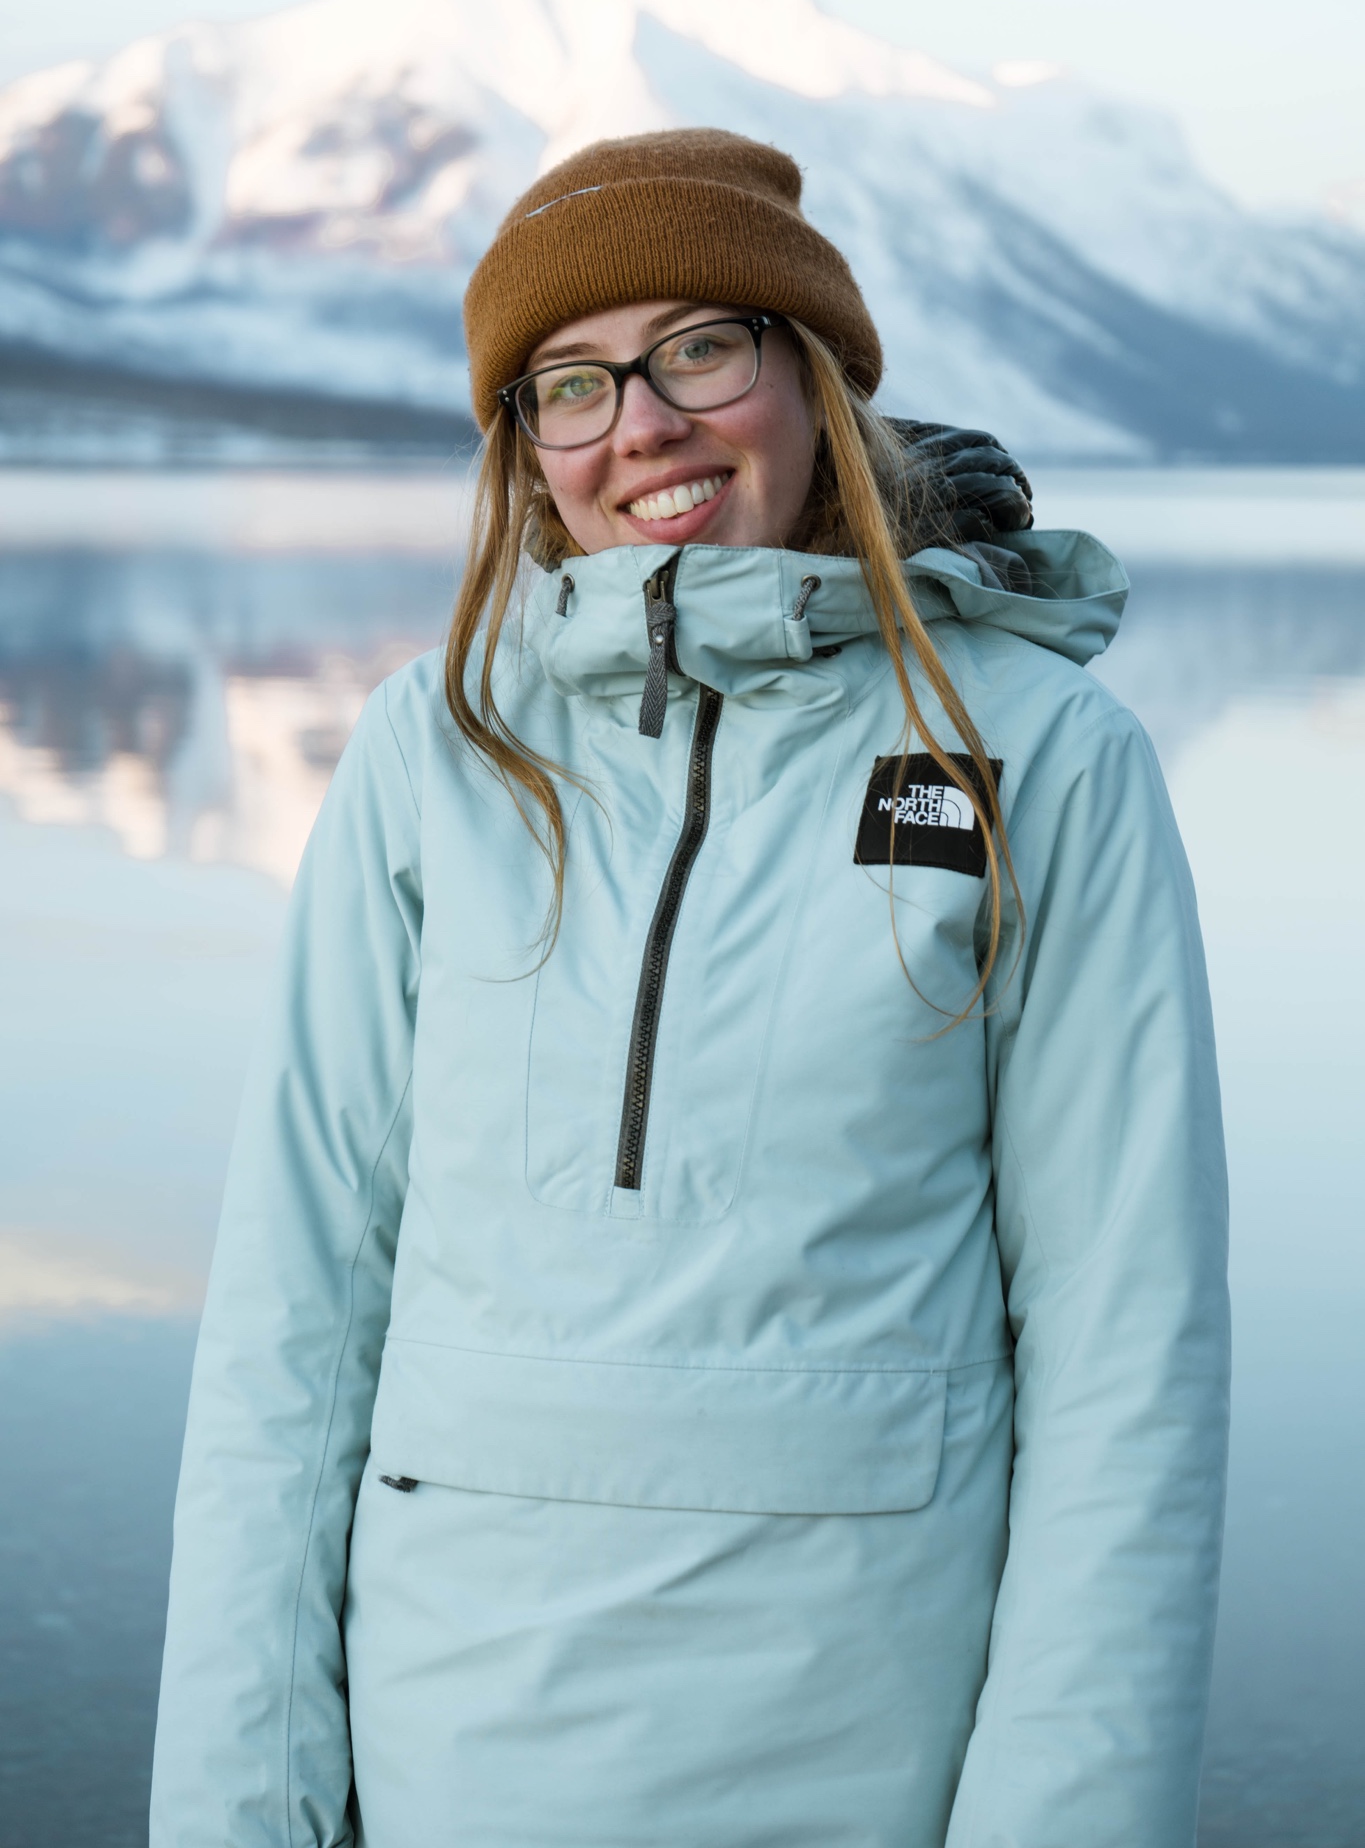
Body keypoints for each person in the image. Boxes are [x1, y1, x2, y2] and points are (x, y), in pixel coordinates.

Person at [151, 128, 1230, 1848]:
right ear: (523, 450)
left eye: (697, 350)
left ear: (811, 375)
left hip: (862, 1748)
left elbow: (1126, 1363)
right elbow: (294, 1320)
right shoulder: (433, 751)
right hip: (459, 1750)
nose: (639, 423)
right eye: (566, 385)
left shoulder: (1034, 754)